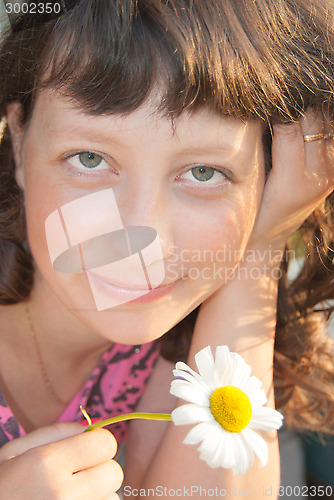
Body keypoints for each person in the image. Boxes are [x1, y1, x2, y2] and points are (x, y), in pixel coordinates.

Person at [0, 0, 333, 498]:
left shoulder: (171, 349)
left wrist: (262, 245)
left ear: (270, 178)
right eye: (89, 159)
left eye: (204, 172)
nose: (143, 233)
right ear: (19, 138)